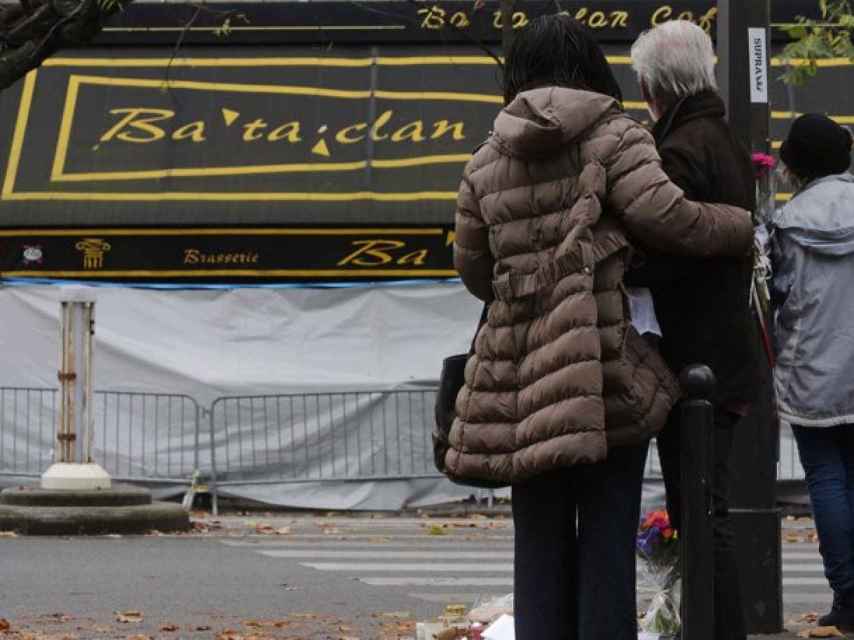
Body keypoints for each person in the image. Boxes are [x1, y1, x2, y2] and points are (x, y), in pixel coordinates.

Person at [444, 15, 754, 640]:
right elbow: (672, 221)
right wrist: (743, 225)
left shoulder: (485, 159)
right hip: (603, 364)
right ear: (592, 67)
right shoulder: (618, 138)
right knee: (609, 522)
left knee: (537, 527)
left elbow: (474, 271)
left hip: (520, 371)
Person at [628, 20, 761, 640]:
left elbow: (668, 250)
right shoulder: (720, 136)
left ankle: (717, 629)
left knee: (701, 511)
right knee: (702, 508)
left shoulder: (679, 149)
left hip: (695, 356)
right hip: (725, 351)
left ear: (657, 83)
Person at [770, 113, 854, 629]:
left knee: (826, 477)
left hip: (813, 366)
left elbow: (777, 295)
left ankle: (848, 596)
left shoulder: (788, 222)